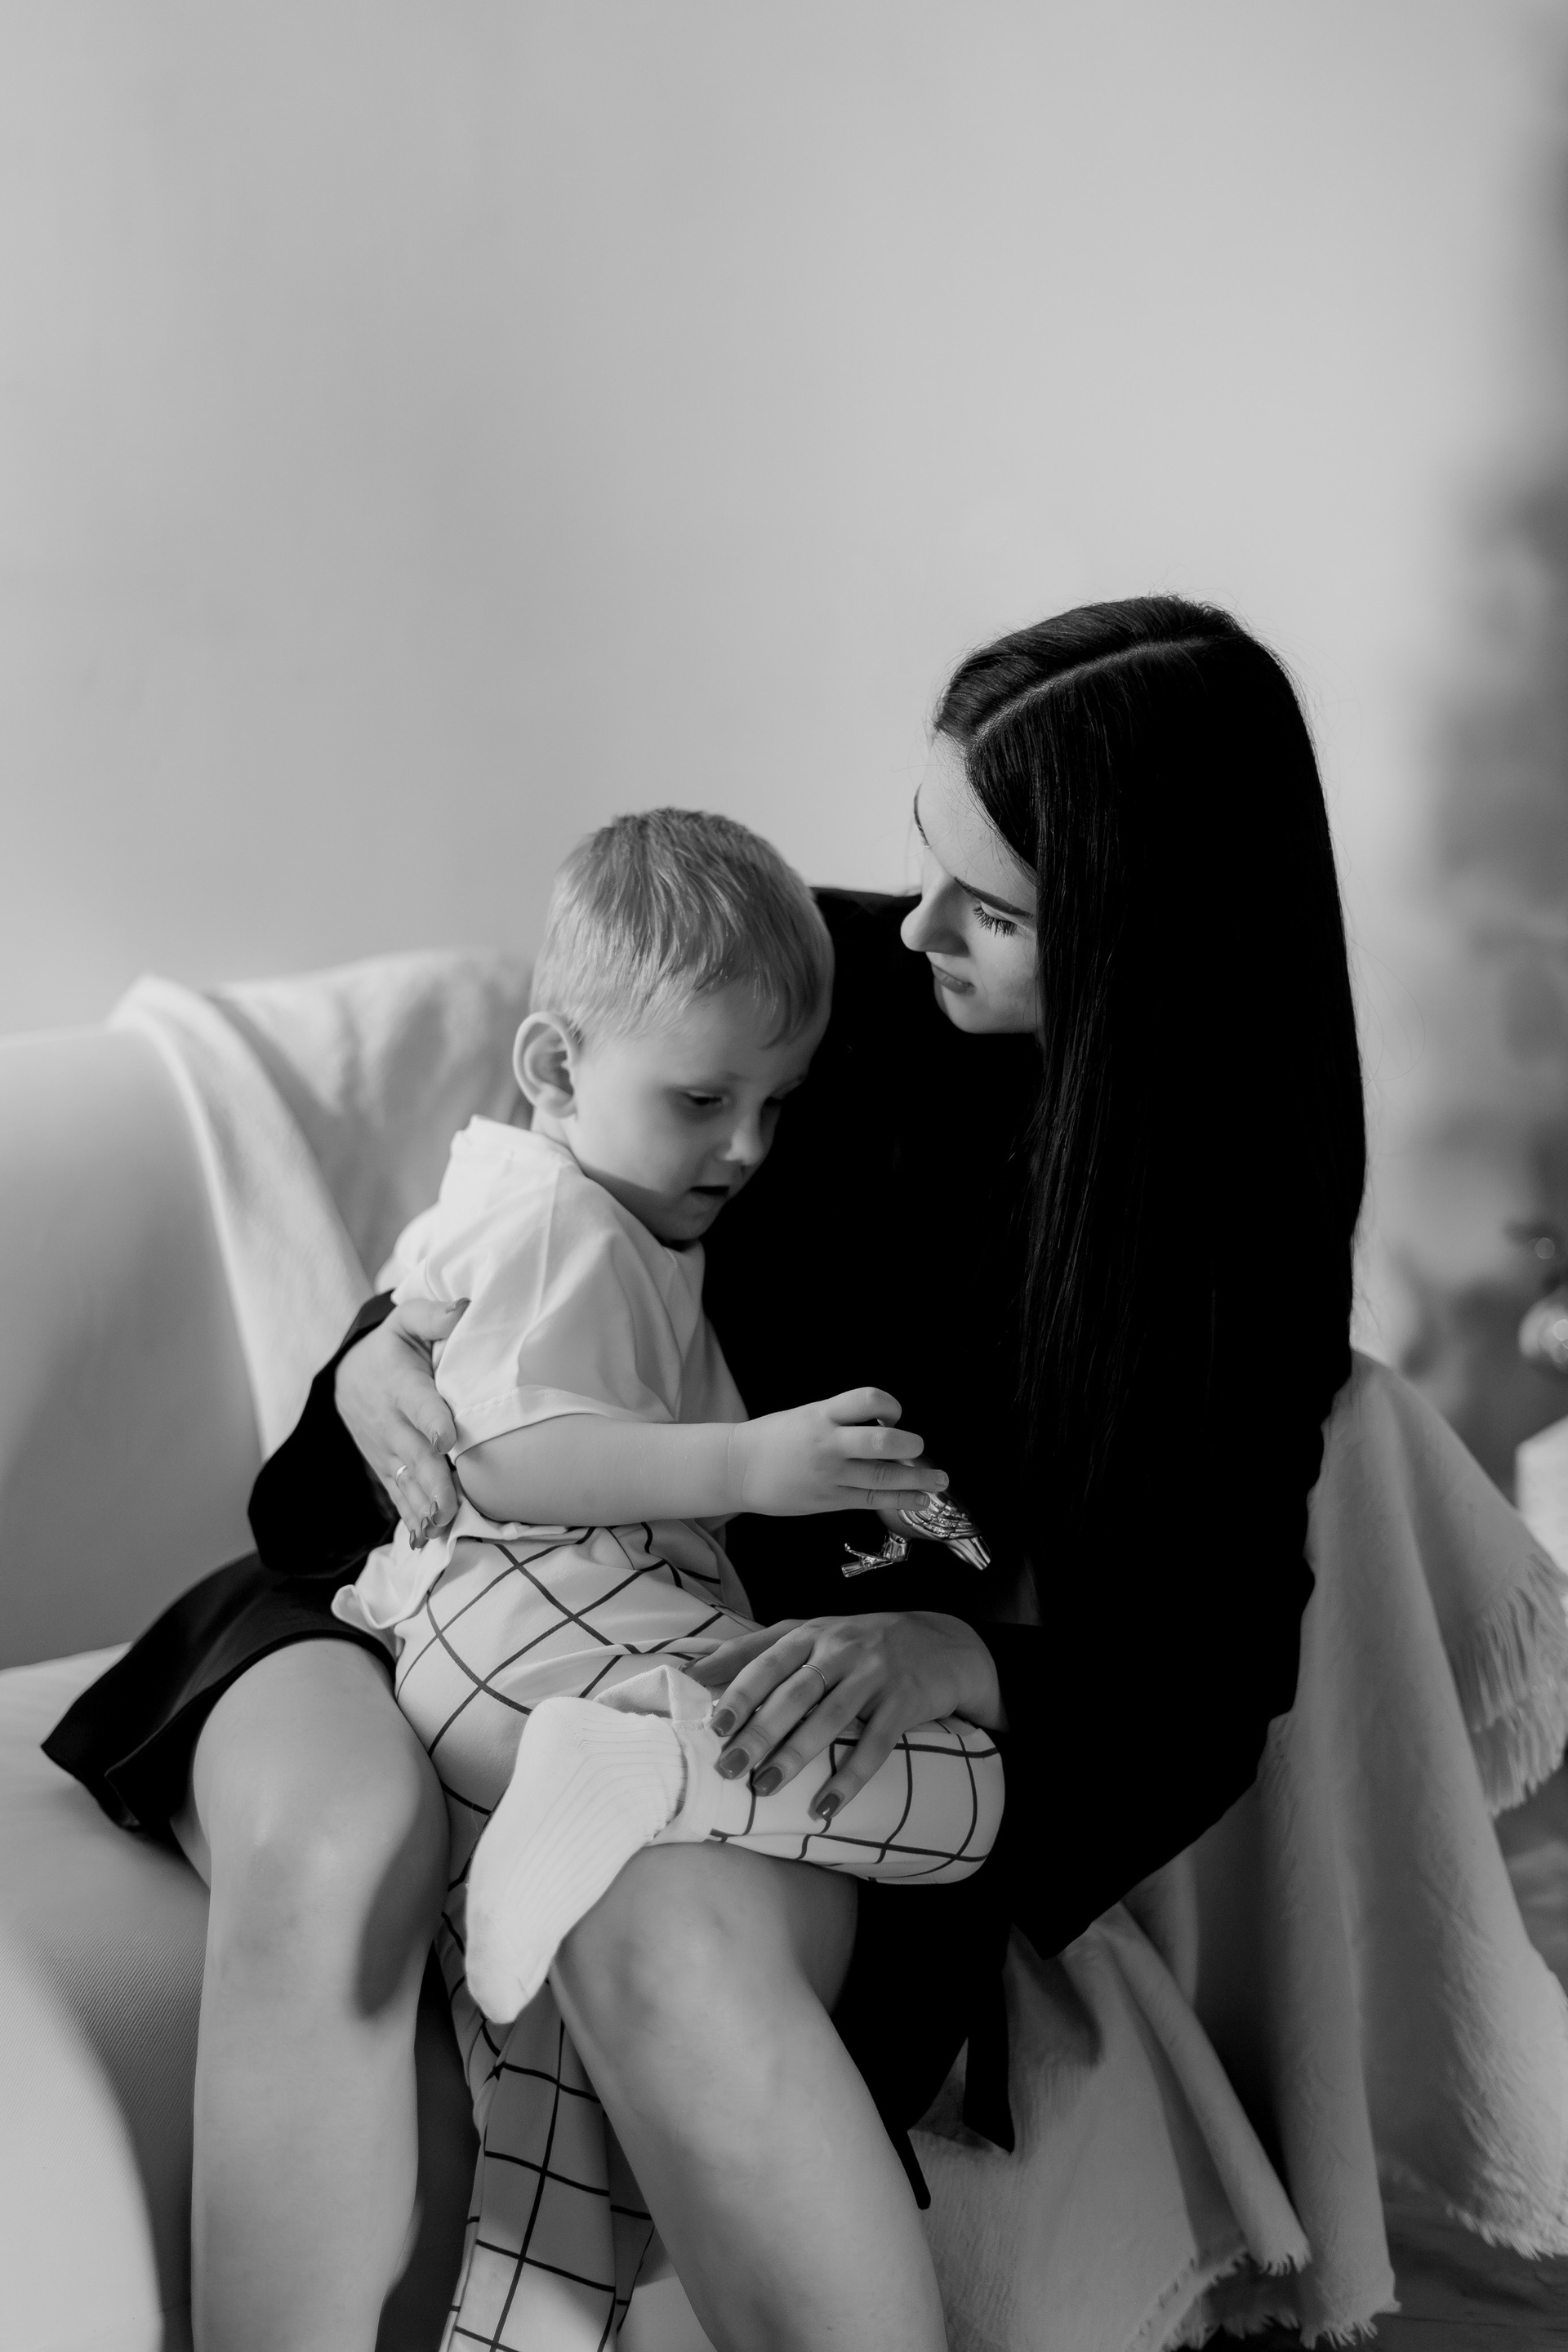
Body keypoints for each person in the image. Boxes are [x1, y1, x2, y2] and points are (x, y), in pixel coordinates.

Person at [45, 595, 1365, 2352]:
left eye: (993, 909)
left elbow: (1208, 1679)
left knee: (650, 1918)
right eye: (925, 851)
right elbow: (521, 1230)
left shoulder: (1217, 1255)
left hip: (725, 1686)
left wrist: (956, 1652)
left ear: (1144, 941)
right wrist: (374, 1357)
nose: (920, 923)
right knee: (331, 1836)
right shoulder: (817, 994)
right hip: (417, 1587)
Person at [341, 807, 1003, 2044]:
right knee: (967, 1795)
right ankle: (644, 1760)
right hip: (541, 1621)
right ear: (554, 1071)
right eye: (703, 1100)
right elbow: (501, 1460)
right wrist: (752, 1462)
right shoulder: (560, 1222)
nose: (747, 1148)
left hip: (501, 1650)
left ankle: (617, 1790)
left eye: (777, 1103)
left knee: (535, 2069)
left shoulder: (556, 1205)